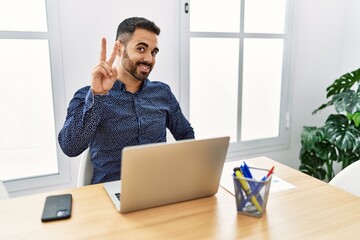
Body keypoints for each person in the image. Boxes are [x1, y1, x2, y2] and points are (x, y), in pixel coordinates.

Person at [58, 17, 194, 184]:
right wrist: (97, 96)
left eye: (153, 52)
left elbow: (186, 135)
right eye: (141, 49)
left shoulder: (162, 92)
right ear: (120, 48)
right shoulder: (89, 95)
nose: (149, 59)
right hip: (109, 193)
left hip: (157, 189)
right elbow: (70, 147)